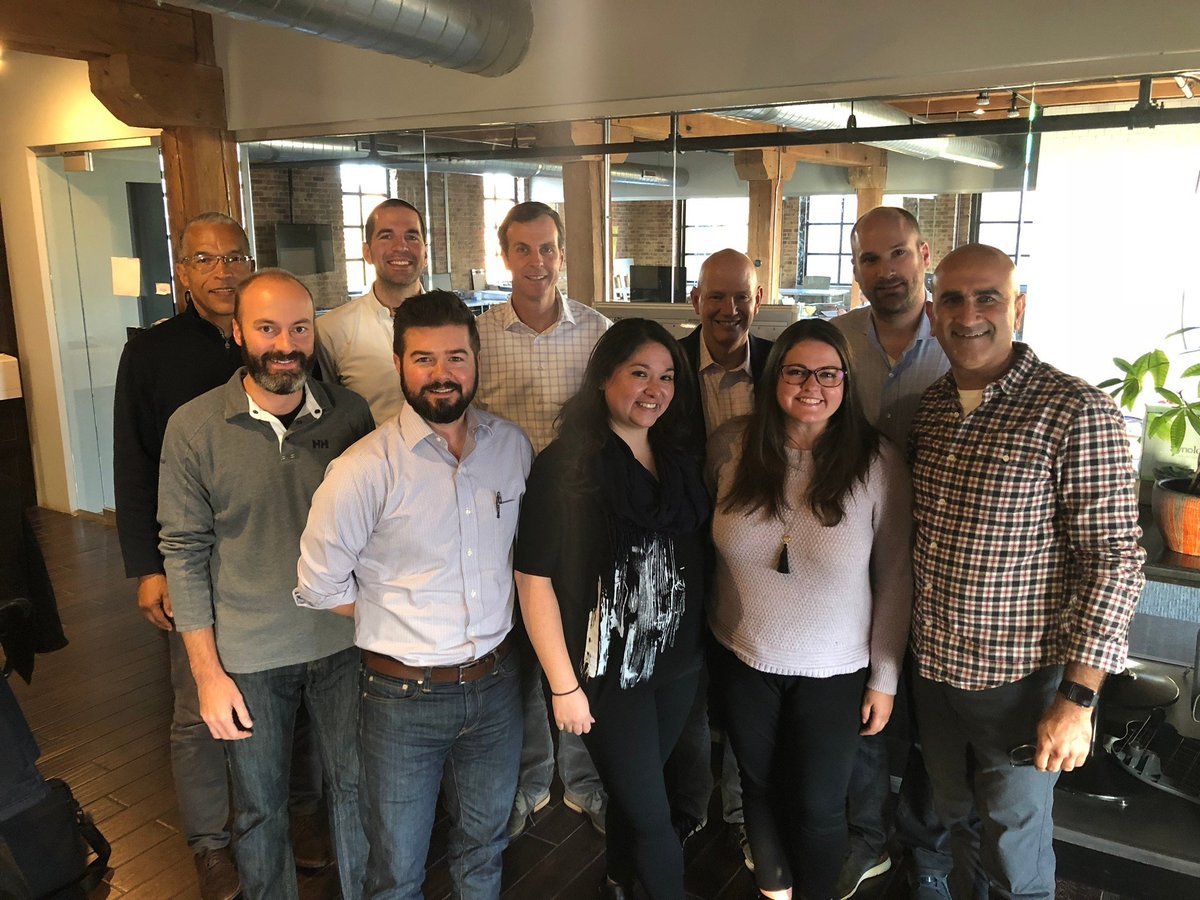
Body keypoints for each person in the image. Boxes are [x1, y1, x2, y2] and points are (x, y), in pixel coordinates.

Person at [910, 244, 1144, 900]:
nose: (969, 314)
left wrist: (1077, 700)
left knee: (1015, 850)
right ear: (933, 313)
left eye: (988, 297)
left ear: (1019, 306)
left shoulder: (1074, 410)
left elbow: (1115, 560)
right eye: (952, 299)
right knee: (957, 824)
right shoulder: (931, 411)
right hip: (935, 676)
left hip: (1022, 686)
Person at [295, 291, 532, 898]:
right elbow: (319, 585)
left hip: (496, 684)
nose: (442, 373)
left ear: (477, 361)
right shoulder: (362, 469)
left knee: (485, 846)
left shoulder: (511, 448)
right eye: (423, 358)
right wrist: (395, 610)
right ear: (398, 363)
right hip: (401, 697)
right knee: (396, 867)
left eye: (456, 356)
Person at [159, 269, 374, 899]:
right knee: (259, 811)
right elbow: (184, 550)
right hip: (248, 657)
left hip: (343, 645)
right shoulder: (193, 428)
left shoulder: (351, 414)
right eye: (268, 328)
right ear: (238, 334)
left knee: (358, 794)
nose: (286, 343)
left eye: (300, 327)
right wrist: (206, 674)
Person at [708, 318, 913, 900]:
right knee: (757, 785)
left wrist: (885, 677)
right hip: (744, 653)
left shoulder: (878, 462)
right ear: (775, 378)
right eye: (797, 372)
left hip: (836, 668)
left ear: (846, 382)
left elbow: (896, 576)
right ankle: (775, 891)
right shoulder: (731, 446)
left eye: (828, 374)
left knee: (822, 804)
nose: (811, 386)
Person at [514, 319, 709, 900]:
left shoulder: (676, 456)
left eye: (667, 377)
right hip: (605, 675)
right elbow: (533, 580)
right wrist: (562, 686)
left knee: (636, 795)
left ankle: (622, 880)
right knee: (653, 814)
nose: (655, 389)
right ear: (604, 377)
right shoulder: (567, 465)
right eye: (639, 373)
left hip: (677, 667)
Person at [112, 212, 249, 897]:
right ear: (184, 269)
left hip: (270, 554)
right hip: (187, 556)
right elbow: (132, 465)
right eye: (205, 259)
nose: (222, 272)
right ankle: (209, 842)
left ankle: (303, 812)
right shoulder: (152, 353)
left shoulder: (279, 341)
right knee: (196, 705)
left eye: (234, 257)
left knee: (299, 692)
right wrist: (147, 568)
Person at [474, 200, 612, 838]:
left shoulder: (598, 333)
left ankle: (583, 780)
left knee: (580, 645)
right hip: (501, 516)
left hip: (578, 513)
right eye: (523, 249)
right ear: (505, 256)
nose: (537, 261)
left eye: (548, 248)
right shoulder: (477, 337)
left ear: (563, 253)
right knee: (521, 653)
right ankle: (532, 781)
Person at [832, 206, 952, 900]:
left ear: (924, 254)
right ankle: (866, 838)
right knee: (865, 706)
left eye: (898, 254)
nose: (886, 271)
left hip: (939, 559)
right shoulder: (837, 340)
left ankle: (929, 850)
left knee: (934, 715)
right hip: (853, 557)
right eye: (870, 261)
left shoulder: (962, 340)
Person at [666, 248, 772, 861]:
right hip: (681, 549)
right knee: (687, 682)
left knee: (750, 685)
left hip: (760, 555)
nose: (729, 310)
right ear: (695, 300)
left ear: (757, 300)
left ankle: (741, 808)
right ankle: (688, 803)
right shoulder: (668, 363)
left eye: (741, 297)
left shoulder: (783, 365)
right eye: (716, 296)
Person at [318, 198, 428, 423]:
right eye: (386, 236)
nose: (401, 246)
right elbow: (330, 415)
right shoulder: (331, 330)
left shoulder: (458, 324)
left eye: (412, 236)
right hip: (371, 456)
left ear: (425, 253)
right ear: (367, 252)